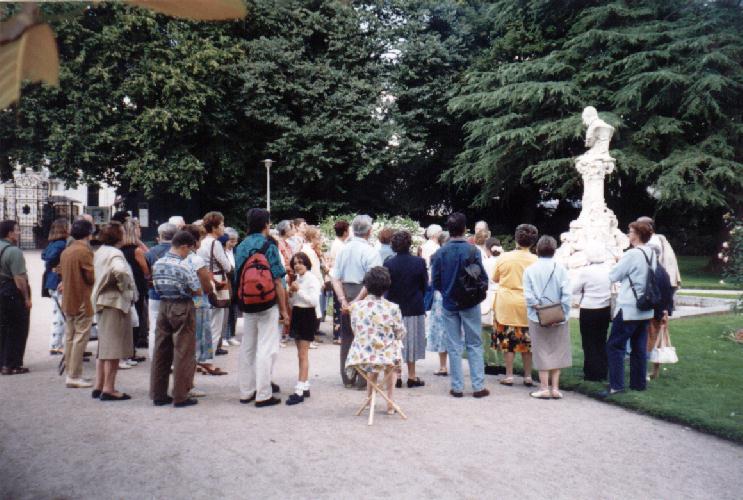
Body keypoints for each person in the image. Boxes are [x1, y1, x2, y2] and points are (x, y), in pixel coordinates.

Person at [431, 213, 489, 398]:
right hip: (470, 301)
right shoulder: (472, 251)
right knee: (474, 343)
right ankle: (478, 386)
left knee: (454, 345)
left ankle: (457, 387)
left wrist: (447, 291)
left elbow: (436, 281)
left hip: (449, 301)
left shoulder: (440, 252)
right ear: (464, 229)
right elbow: (482, 277)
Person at [234, 208, 289, 407]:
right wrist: (284, 310)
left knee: (247, 346)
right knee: (266, 347)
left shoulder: (240, 246)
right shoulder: (270, 246)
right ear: (266, 224)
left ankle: (246, 391)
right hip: (267, 303)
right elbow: (277, 281)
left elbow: (237, 276)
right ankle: (263, 393)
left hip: (247, 302)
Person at [600, 220, 657, 398]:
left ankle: (616, 385)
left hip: (629, 307)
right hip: (646, 307)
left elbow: (614, 275)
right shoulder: (651, 252)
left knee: (615, 346)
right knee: (639, 348)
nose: (628, 234)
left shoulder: (631, 254)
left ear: (637, 235)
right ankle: (638, 384)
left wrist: (617, 264)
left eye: (630, 231)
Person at [150, 230, 202, 407]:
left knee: (161, 350)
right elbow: (197, 290)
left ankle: (158, 393)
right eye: (189, 250)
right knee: (183, 351)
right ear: (185, 246)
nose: (189, 253)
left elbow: (154, 285)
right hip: (182, 305)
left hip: (164, 305)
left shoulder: (158, 263)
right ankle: (181, 395)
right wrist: (196, 304)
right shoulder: (185, 266)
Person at [331, 215, 383, 387]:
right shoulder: (371, 251)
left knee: (347, 336)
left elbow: (335, 278)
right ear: (369, 231)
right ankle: (362, 379)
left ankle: (347, 377)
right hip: (364, 293)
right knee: (365, 336)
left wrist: (342, 300)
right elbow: (372, 280)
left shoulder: (343, 249)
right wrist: (357, 301)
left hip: (345, 291)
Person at [345, 266, 405, 415]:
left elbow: (355, 330)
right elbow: (400, 333)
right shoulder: (392, 308)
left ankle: (369, 399)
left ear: (366, 285)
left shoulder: (356, 307)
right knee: (391, 354)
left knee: (374, 355)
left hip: (361, 354)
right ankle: (390, 403)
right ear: (386, 286)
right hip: (386, 355)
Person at [523, 236, 572, 399]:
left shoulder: (530, 270)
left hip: (537, 315)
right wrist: (562, 313)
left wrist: (538, 306)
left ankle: (544, 387)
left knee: (541, 350)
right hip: (558, 314)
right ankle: (555, 388)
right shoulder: (561, 269)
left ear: (537, 250)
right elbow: (567, 294)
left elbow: (528, 294)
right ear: (554, 250)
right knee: (557, 350)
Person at [91, 222, 136, 400]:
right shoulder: (116, 253)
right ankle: (109, 388)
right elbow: (121, 272)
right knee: (113, 348)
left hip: (102, 301)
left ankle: (99, 384)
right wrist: (125, 288)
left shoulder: (100, 251)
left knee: (104, 346)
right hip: (115, 303)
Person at [492, 224, 538, 387]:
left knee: (507, 341)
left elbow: (495, 278)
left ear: (517, 238)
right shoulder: (535, 260)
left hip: (507, 303)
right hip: (527, 303)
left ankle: (509, 375)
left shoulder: (504, 257)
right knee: (527, 342)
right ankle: (527, 376)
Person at [384, 230, 427, 388]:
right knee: (412, 341)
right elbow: (424, 285)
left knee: (396, 342)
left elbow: (386, 286)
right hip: (414, 305)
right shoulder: (419, 262)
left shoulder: (388, 263)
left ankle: (398, 375)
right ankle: (412, 376)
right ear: (409, 244)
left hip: (394, 307)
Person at [181, 225, 224, 379]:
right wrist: (210, 292)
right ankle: (201, 363)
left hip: (182, 301)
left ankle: (200, 363)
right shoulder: (197, 259)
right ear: (196, 241)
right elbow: (206, 285)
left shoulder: (177, 256)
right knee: (200, 332)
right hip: (198, 299)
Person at [58, 219, 95, 388]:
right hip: (82, 299)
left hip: (69, 299)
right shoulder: (84, 251)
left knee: (70, 337)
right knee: (81, 337)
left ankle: (70, 373)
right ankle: (74, 375)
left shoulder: (67, 251)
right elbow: (90, 277)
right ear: (89, 233)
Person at [572, 241, 612, 381]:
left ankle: (591, 372)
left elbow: (573, 289)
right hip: (605, 308)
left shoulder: (586, 271)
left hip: (589, 308)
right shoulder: (608, 269)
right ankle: (602, 370)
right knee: (601, 339)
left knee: (589, 341)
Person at [286, 252, 322, 405]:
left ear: (306, 263)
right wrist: (291, 293)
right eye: (295, 263)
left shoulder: (311, 278)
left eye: (300, 262)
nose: (297, 265)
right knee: (299, 354)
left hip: (307, 315)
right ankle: (305, 384)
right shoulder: (298, 279)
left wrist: (298, 290)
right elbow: (293, 301)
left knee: (303, 354)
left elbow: (313, 301)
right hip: (298, 313)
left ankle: (299, 389)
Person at [197, 212, 233, 355]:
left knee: (205, 321)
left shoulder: (202, 241)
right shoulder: (215, 243)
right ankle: (208, 357)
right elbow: (227, 266)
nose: (224, 227)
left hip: (203, 281)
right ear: (214, 227)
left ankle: (202, 354)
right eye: (222, 224)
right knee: (216, 323)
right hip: (217, 283)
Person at [0, 220, 32, 375]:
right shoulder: (14, 252)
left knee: (3, 328)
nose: (19, 233)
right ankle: (12, 364)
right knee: (18, 328)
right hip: (11, 292)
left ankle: (2, 363)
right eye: (17, 230)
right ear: (9, 233)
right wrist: (26, 298)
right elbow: (19, 278)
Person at [145, 222, 177, 360]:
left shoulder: (150, 252)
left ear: (160, 235)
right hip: (174, 294)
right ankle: (172, 359)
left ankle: (155, 358)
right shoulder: (178, 251)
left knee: (154, 328)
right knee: (174, 328)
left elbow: (146, 274)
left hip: (155, 294)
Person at [646, 237, 675, 381]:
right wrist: (666, 310)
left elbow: (661, 295)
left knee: (650, 342)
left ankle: (645, 372)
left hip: (654, 313)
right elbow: (669, 295)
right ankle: (654, 372)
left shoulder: (655, 271)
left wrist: (661, 312)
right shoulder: (662, 270)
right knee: (655, 341)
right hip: (660, 312)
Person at [120, 220, 150, 363]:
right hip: (138, 285)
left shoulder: (121, 249)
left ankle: (127, 350)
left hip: (127, 286)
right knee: (136, 318)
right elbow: (146, 269)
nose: (141, 230)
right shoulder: (137, 250)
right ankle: (131, 351)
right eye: (138, 228)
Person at [42, 218, 69, 355]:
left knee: (57, 312)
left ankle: (55, 343)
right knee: (60, 315)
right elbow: (51, 259)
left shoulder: (52, 243)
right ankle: (55, 344)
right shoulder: (62, 244)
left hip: (51, 280)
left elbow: (44, 256)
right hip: (58, 280)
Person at [426, 230, 450, 376]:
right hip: (453, 294)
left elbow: (432, 280)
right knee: (452, 329)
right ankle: (453, 363)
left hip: (440, 294)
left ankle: (442, 366)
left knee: (441, 329)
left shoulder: (435, 256)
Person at [482, 237, 505, 375]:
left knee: (487, 331)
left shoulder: (485, 263)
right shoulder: (504, 261)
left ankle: (491, 362)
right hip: (502, 295)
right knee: (501, 329)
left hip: (489, 295)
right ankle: (502, 362)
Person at [327, 220, 349, 344]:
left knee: (338, 305)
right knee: (339, 306)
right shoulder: (340, 245)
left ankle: (338, 333)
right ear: (345, 231)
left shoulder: (337, 243)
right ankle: (338, 335)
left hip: (336, 276)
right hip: (338, 278)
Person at [223, 227, 241, 347]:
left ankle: (231, 335)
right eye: (231, 241)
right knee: (225, 310)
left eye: (235, 241)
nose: (233, 243)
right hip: (226, 283)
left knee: (234, 310)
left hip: (235, 284)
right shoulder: (221, 251)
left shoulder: (236, 251)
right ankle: (224, 336)